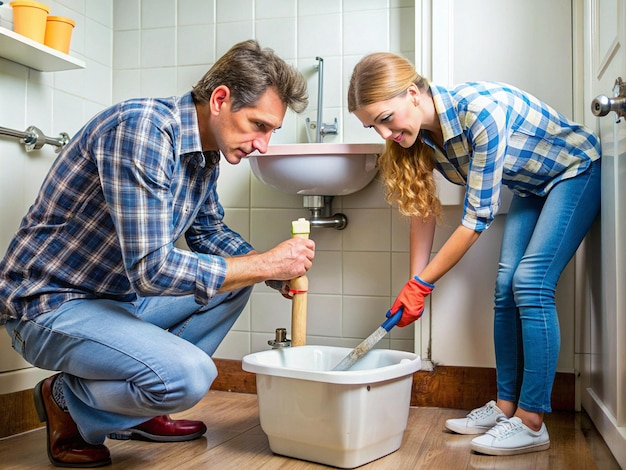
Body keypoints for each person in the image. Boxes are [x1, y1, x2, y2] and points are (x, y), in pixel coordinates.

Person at [0, 39, 314, 468]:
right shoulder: (142, 130)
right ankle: (64, 400)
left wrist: (272, 272)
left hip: (115, 300)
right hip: (49, 306)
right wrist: (264, 263)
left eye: (271, 131)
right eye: (259, 124)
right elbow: (153, 269)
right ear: (220, 99)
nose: (264, 143)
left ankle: (140, 409)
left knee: (236, 283)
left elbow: (208, 231)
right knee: (191, 375)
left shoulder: (204, 154)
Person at [347, 52, 601, 456]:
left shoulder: (478, 114)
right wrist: (415, 285)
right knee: (505, 286)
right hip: (534, 186)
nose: (382, 133)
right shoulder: (422, 137)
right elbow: (422, 212)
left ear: (412, 94)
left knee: (531, 283)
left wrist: (424, 283)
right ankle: (505, 409)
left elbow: (476, 219)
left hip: (576, 169)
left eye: (384, 118)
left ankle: (532, 422)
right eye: (372, 125)